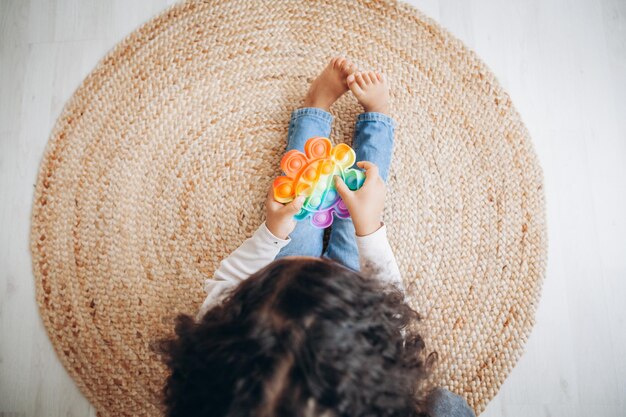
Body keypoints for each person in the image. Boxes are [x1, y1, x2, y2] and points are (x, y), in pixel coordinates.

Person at [158, 58, 476, 417]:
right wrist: (368, 228)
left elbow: (228, 280)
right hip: (358, 301)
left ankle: (315, 110)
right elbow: (391, 308)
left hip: (321, 304)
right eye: (307, 263)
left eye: (289, 265)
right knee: (448, 407)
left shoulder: (218, 335)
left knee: (299, 190)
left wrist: (272, 234)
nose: (313, 259)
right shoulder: (381, 352)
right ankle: (377, 120)